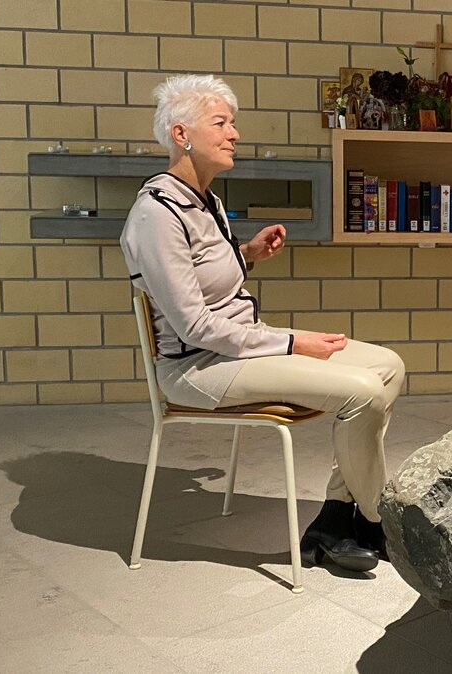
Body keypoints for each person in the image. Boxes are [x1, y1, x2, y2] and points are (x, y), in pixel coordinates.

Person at [120, 74, 405, 573]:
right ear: (182, 134)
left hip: (234, 348)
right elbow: (194, 326)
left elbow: (203, 283)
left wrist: (247, 254)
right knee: (362, 393)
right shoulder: (157, 214)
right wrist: (291, 343)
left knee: (389, 366)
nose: (234, 134)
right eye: (222, 123)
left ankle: (337, 517)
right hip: (199, 368)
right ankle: (380, 521)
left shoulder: (203, 198)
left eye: (233, 124)